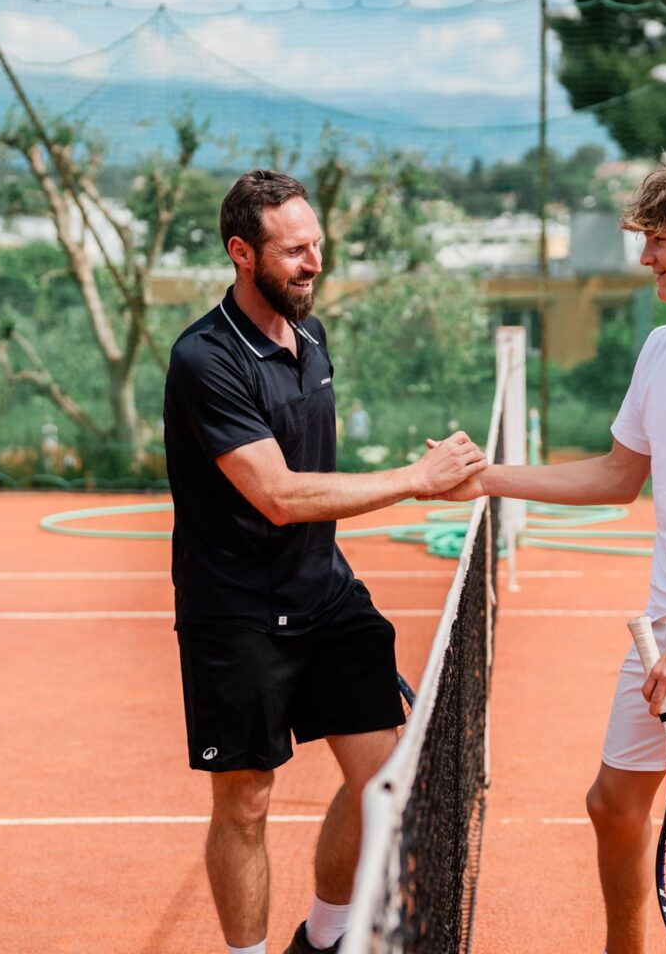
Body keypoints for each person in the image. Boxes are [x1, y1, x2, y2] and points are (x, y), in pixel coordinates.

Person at [431, 150, 666, 954]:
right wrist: (487, 478)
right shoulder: (658, 351)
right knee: (613, 805)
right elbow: (617, 477)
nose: (645, 258)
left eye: (659, 240)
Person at [163, 170, 487, 954]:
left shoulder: (310, 336)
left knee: (389, 780)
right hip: (235, 612)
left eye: (317, 245)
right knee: (245, 804)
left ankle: (327, 936)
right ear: (243, 253)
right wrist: (415, 481)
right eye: (294, 250)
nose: (315, 263)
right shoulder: (205, 360)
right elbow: (276, 493)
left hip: (326, 598)